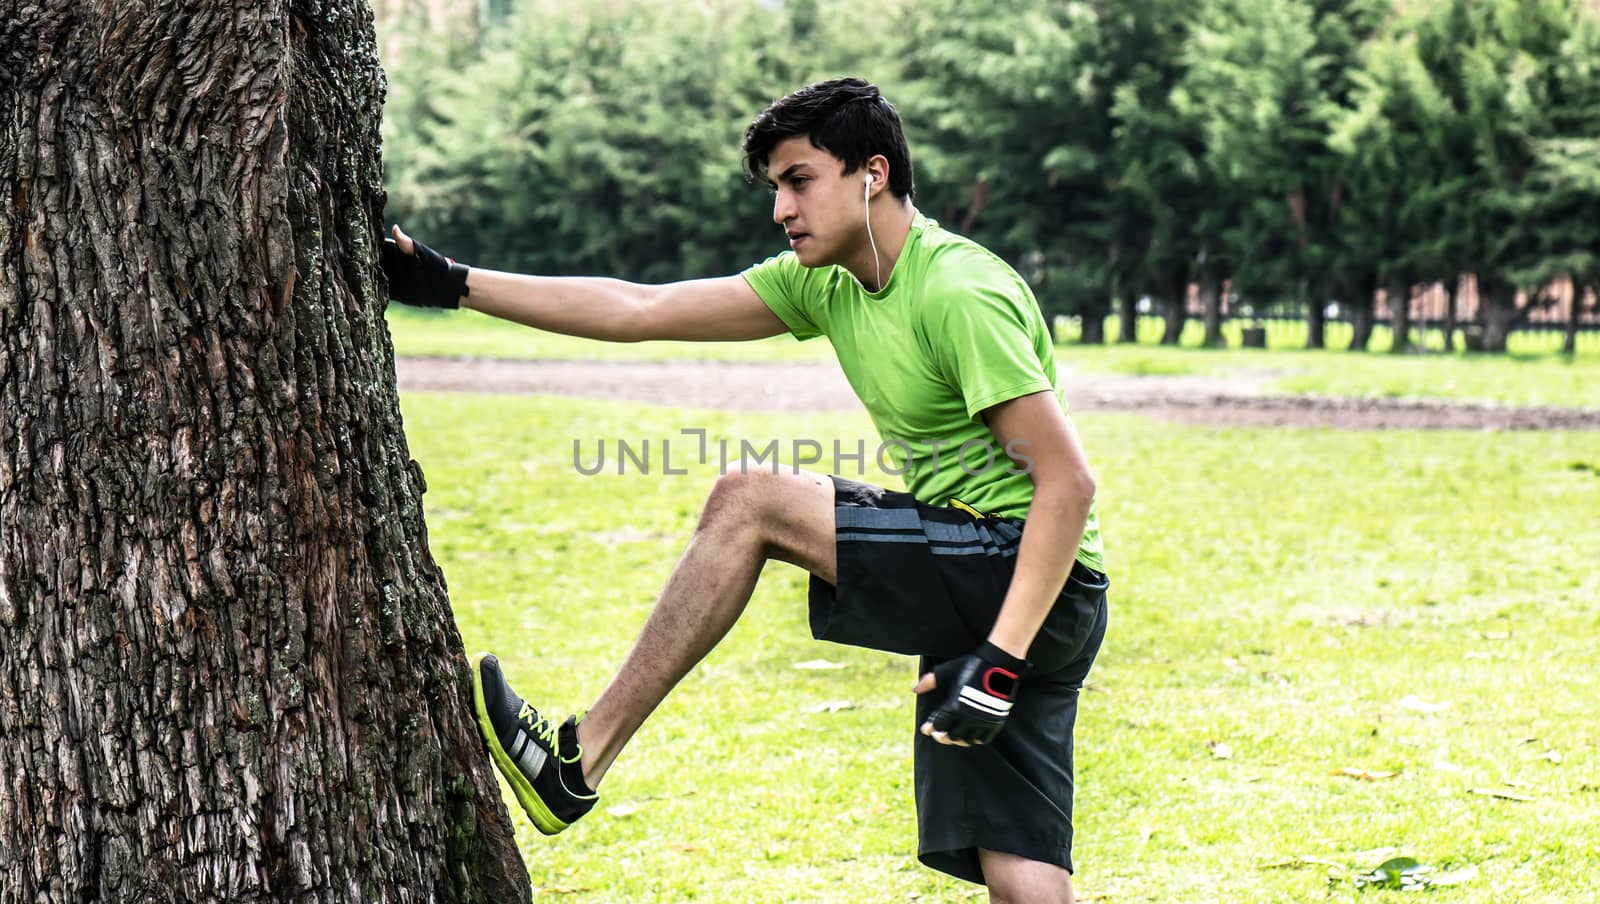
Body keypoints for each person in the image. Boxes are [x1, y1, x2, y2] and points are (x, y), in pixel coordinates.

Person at [382, 77, 1107, 904]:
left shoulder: (956, 290)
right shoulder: (825, 283)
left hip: (1022, 578)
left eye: (800, 180)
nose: (781, 210)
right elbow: (639, 308)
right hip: (1017, 596)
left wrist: (1003, 662)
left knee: (751, 500)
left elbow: (1067, 483)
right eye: (775, 189)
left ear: (873, 173)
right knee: (1019, 870)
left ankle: (577, 761)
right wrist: (450, 282)